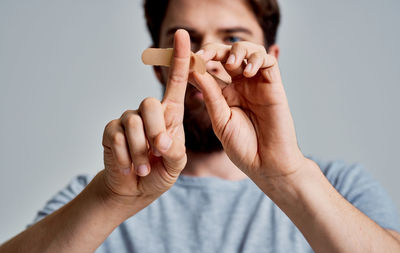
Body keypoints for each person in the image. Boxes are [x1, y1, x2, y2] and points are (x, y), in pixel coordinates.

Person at [1, 0, 400, 252]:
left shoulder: (337, 187)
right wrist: (109, 202)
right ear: (161, 63)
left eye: (233, 40)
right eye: (185, 42)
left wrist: (288, 178)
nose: (204, 58)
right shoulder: (103, 194)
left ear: (270, 57)